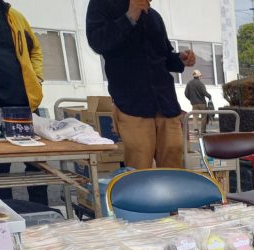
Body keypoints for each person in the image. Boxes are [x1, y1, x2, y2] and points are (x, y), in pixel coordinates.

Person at [86, 0, 196, 170]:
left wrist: (179, 59)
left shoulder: (154, 16)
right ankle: (141, 189)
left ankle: (172, 188)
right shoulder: (103, 4)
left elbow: (163, 56)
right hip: (132, 102)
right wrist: (129, 17)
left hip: (165, 102)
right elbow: (97, 42)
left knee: (174, 156)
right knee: (140, 164)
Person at [0, 0, 48, 206]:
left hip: (24, 103)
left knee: (37, 162)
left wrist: (38, 78)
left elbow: (35, 49)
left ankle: (42, 209)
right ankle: (4, 217)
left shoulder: (14, 16)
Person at [185, 69, 211, 134]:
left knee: (195, 116)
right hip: (202, 103)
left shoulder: (189, 83)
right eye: (201, 76)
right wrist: (209, 96)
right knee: (204, 116)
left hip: (194, 104)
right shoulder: (200, 84)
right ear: (199, 76)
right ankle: (203, 130)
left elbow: (186, 93)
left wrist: (191, 99)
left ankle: (196, 130)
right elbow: (204, 93)